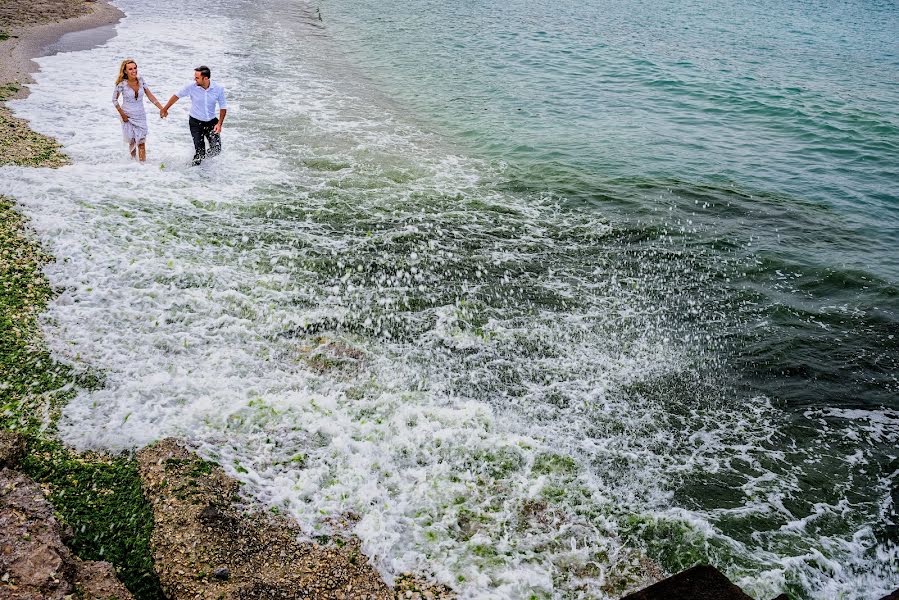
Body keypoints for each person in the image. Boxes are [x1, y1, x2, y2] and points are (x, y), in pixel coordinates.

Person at [160, 65, 228, 165]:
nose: (194, 80)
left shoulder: (218, 89)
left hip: (212, 123)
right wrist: (165, 109)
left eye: (197, 78)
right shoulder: (191, 87)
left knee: (216, 150)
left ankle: (205, 164)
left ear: (205, 78)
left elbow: (223, 107)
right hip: (196, 123)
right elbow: (176, 95)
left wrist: (219, 124)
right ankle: (194, 173)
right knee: (200, 152)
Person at [112, 59, 163, 162]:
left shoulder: (141, 80)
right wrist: (123, 115)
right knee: (132, 142)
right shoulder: (121, 84)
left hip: (140, 116)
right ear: (125, 71)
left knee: (141, 142)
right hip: (127, 116)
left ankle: (142, 166)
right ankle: (133, 163)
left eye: (135, 68)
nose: (134, 71)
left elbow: (150, 96)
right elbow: (114, 100)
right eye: (130, 69)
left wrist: (162, 108)